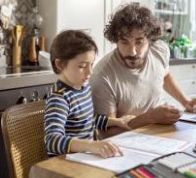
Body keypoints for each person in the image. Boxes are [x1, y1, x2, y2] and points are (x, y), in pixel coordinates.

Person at [90, 3, 196, 138]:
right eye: (124, 42)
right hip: (125, 142)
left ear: (150, 39)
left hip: (158, 132)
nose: (132, 51)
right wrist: (150, 118)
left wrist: (186, 101)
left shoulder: (159, 49)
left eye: (139, 42)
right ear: (116, 40)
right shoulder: (102, 76)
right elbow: (107, 134)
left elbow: (165, 75)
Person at [44, 30, 134, 158]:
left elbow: (86, 120)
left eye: (91, 64)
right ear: (60, 64)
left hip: (85, 157)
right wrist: (90, 145)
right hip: (65, 163)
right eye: (82, 66)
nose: (90, 72)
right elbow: (52, 141)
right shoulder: (59, 99)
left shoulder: (83, 89)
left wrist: (115, 121)